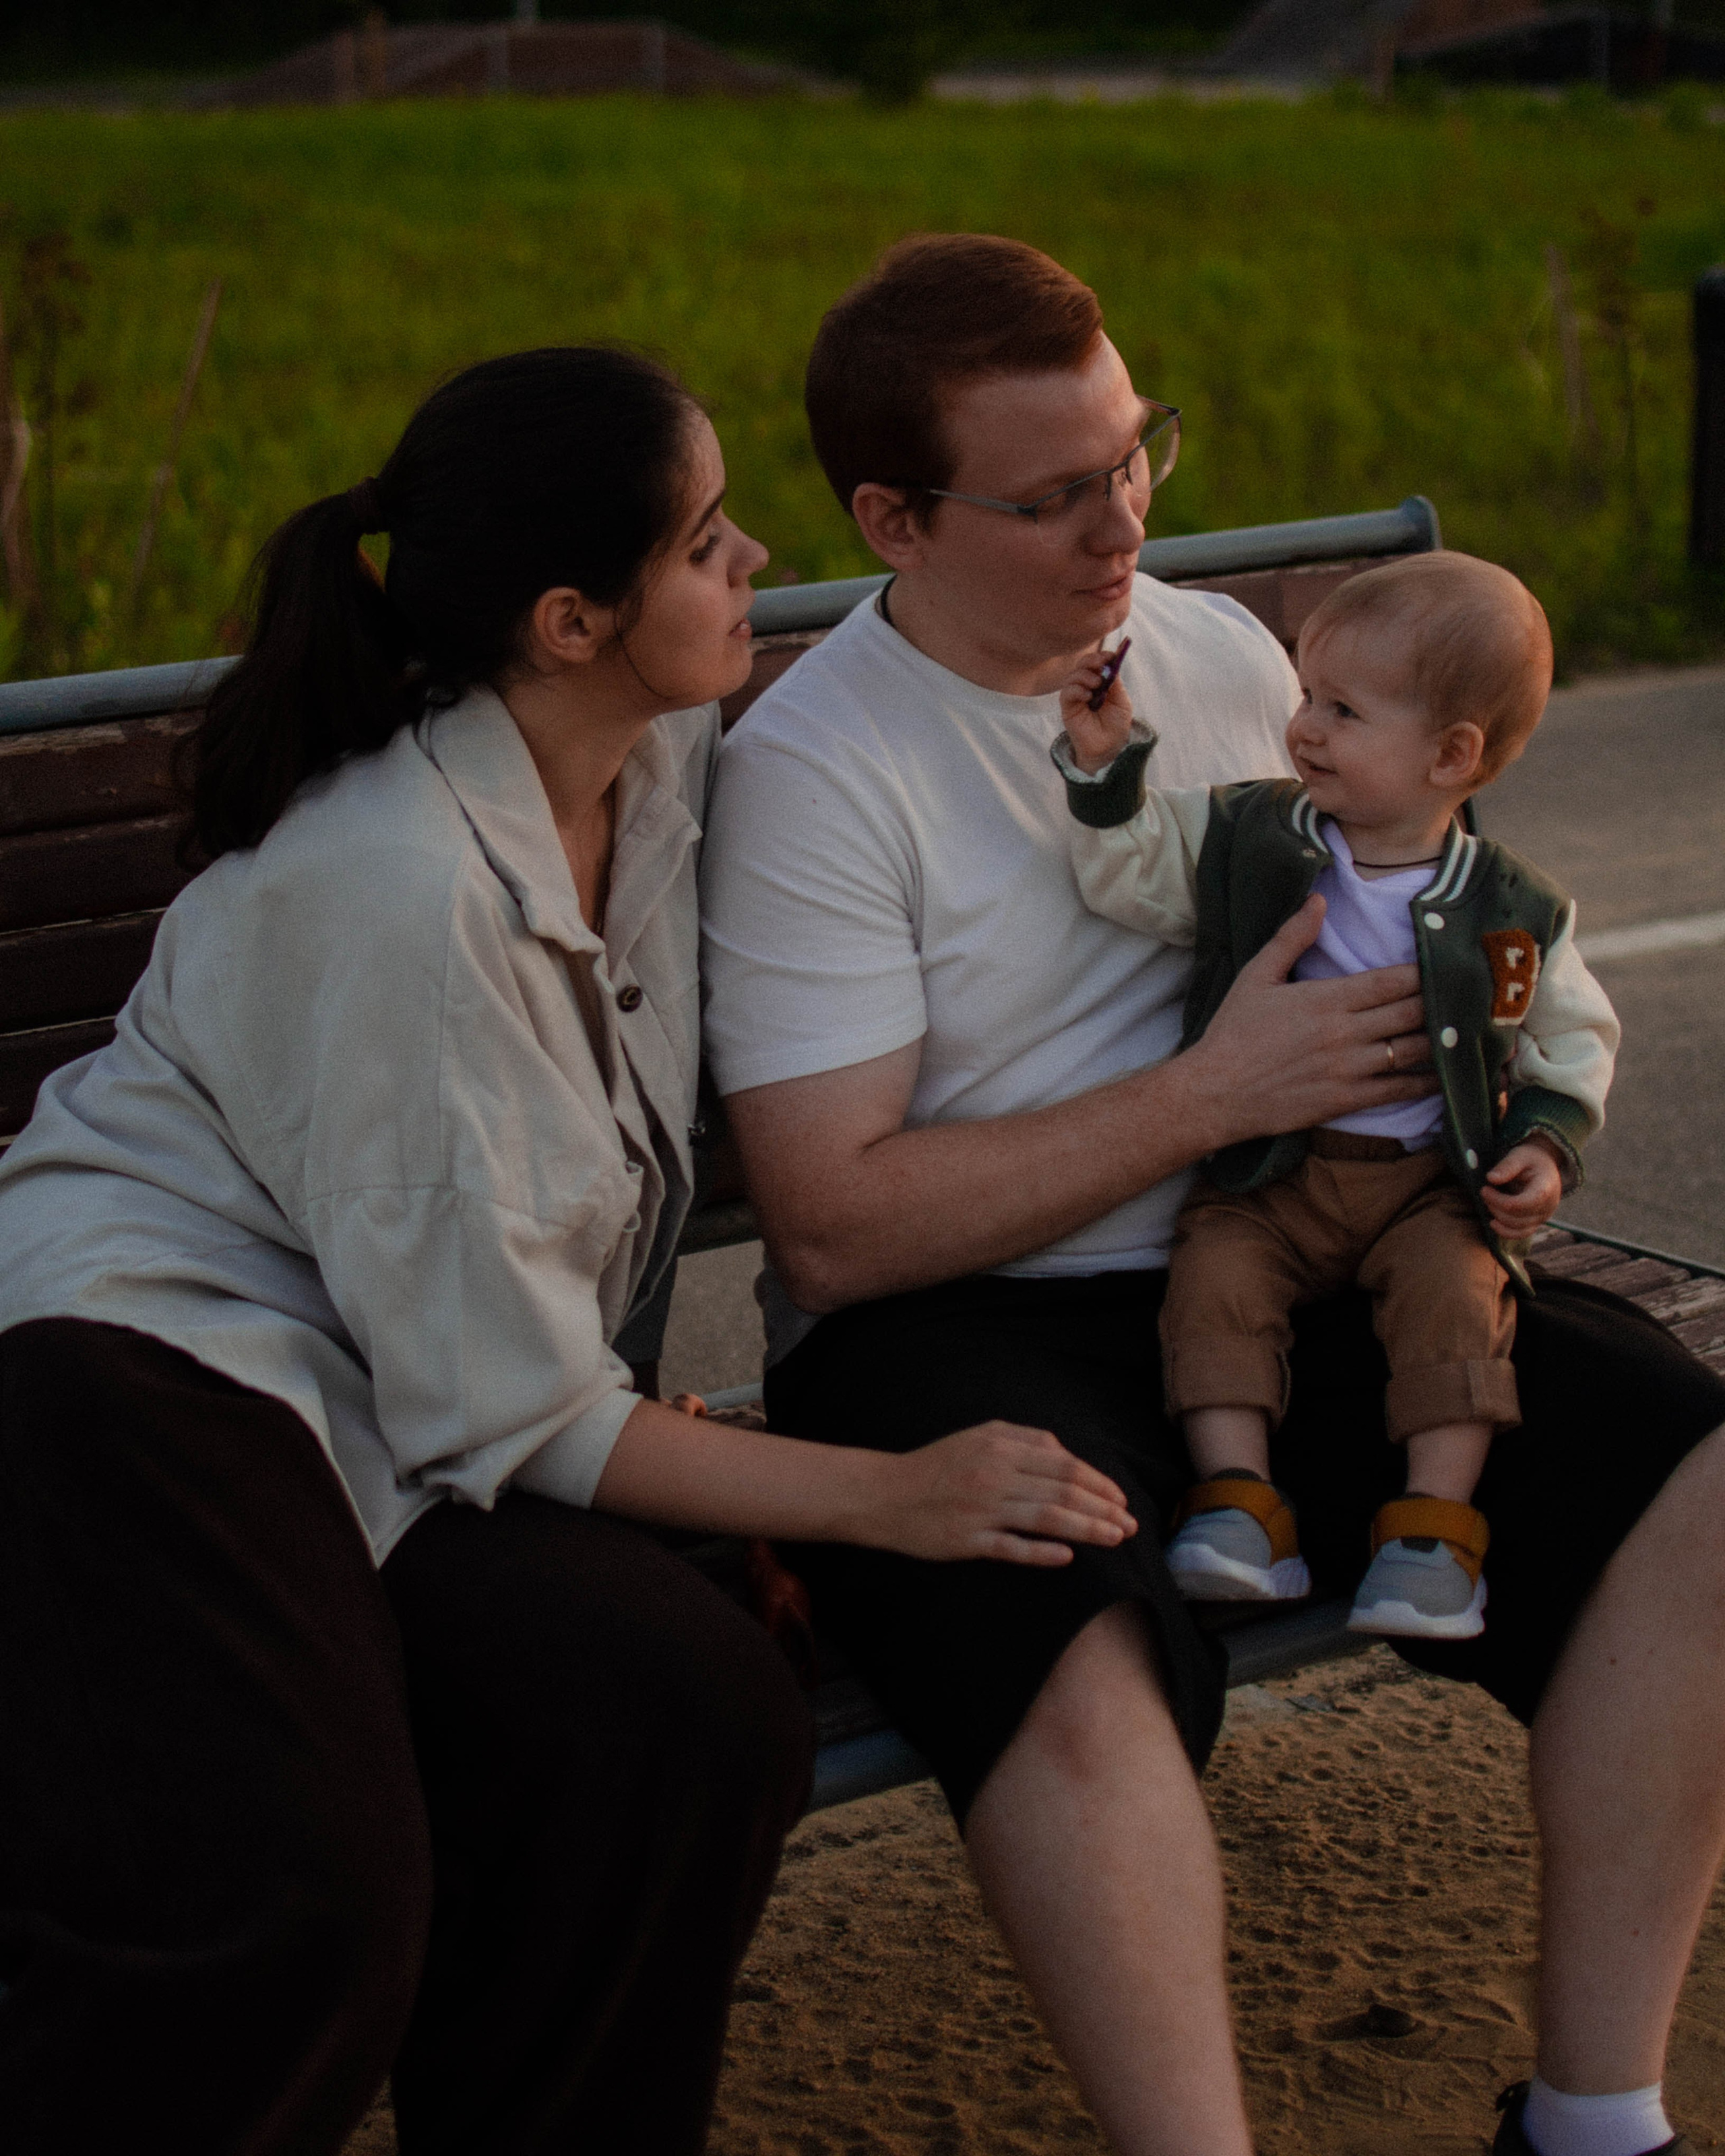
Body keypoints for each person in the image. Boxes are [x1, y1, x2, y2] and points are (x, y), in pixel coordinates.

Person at [0, 345, 1135, 2156]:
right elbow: (510, 1406)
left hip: (390, 1397)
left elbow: (496, 1361)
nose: (758, 554)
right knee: (300, 1915)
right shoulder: (395, 890)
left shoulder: (655, 760)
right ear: (568, 619)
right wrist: (883, 1493)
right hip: (142, 1385)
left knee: (681, 1716)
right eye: (703, 543)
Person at [698, 235, 1725, 2156]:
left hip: (1280, 1240)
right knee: (1071, 1650)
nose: (1126, 523)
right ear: (892, 519)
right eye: (1057, 492)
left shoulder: (1227, 655)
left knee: (1694, 1472)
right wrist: (1205, 1096)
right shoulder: (816, 776)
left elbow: (1424, 921)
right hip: (957, 1321)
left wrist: (1513, 1111)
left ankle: (1597, 2121)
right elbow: (834, 1229)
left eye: (1134, 453)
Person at [1054, 550, 1619, 1641]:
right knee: (1213, 1277)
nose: (1303, 727)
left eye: (1343, 710)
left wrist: (1543, 1148)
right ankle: (1237, 1505)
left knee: (1461, 1303)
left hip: (1426, 1190)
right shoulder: (1254, 837)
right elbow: (1128, 873)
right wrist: (1105, 768)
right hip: (1276, 1173)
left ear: (1452, 755)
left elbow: (1572, 1038)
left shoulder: (1511, 909)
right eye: (1307, 695)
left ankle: (1433, 1532)